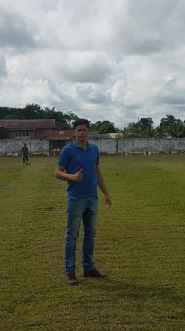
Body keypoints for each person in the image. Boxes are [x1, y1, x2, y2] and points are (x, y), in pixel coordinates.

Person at [54, 119, 112, 285]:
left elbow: (97, 172)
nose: (81, 133)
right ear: (74, 132)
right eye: (78, 130)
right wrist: (71, 177)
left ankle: (88, 267)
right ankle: (70, 272)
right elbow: (57, 173)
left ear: (88, 132)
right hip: (75, 199)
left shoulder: (94, 149)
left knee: (90, 235)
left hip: (92, 198)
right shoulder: (68, 151)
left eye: (84, 130)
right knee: (72, 235)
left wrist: (106, 194)